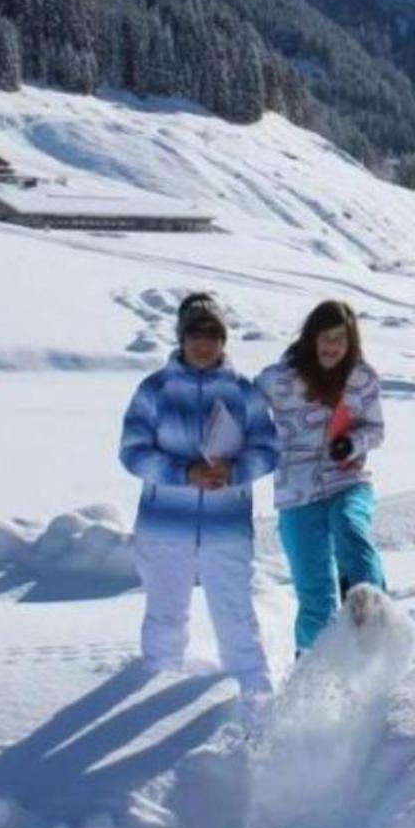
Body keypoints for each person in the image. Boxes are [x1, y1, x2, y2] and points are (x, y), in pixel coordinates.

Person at [118, 291, 279, 705]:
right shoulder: (154, 391)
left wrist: (236, 470)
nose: (203, 342)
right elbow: (133, 452)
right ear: (181, 337)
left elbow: (267, 450)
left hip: (226, 527)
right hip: (164, 526)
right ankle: (154, 694)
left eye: (212, 333)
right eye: (195, 333)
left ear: (224, 339)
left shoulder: (244, 393)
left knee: (237, 618)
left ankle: (256, 703)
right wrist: (182, 473)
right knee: (165, 617)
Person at [258, 298, 388, 652]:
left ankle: (374, 624)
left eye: (340, 339)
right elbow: (239, 413)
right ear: (311, 338)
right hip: (296, 493)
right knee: (315, 598)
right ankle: (308, 673)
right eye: (325, 338)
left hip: (347, 480)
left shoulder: (361, 378)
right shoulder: (279, 380)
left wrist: (352, 442)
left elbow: (376, 429)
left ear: (351, 342)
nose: (332, 347)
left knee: (350, 531)